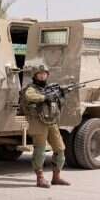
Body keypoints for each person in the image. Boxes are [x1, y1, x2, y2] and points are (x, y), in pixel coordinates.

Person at [20, 60, 70, 188]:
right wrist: (45, 98)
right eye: (39, 74)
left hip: (51, 121)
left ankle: (56, 177)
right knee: (40, 151)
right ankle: (40, 178)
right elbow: (29, 96)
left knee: (60, 149)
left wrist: (60, 95)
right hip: (38, 122)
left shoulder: (50, 88)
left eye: (44, 74)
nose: (42, 76)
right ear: (35, 76)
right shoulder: (31, 88)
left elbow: (59, 103)